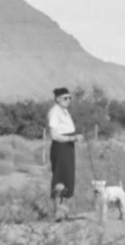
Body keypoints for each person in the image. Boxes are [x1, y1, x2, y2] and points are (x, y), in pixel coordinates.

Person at [47, 87, 83, 220]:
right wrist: (72, 138)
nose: (68, 100)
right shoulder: (54, 112)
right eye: (65, 98)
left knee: (68, 178)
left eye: (70, 98)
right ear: (57, 99)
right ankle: (57, 212)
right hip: (60, 147)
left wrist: (74, 138)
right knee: (59, 178)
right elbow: (54, 135)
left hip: (68, 147)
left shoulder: (65, 111)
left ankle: (62, 212)